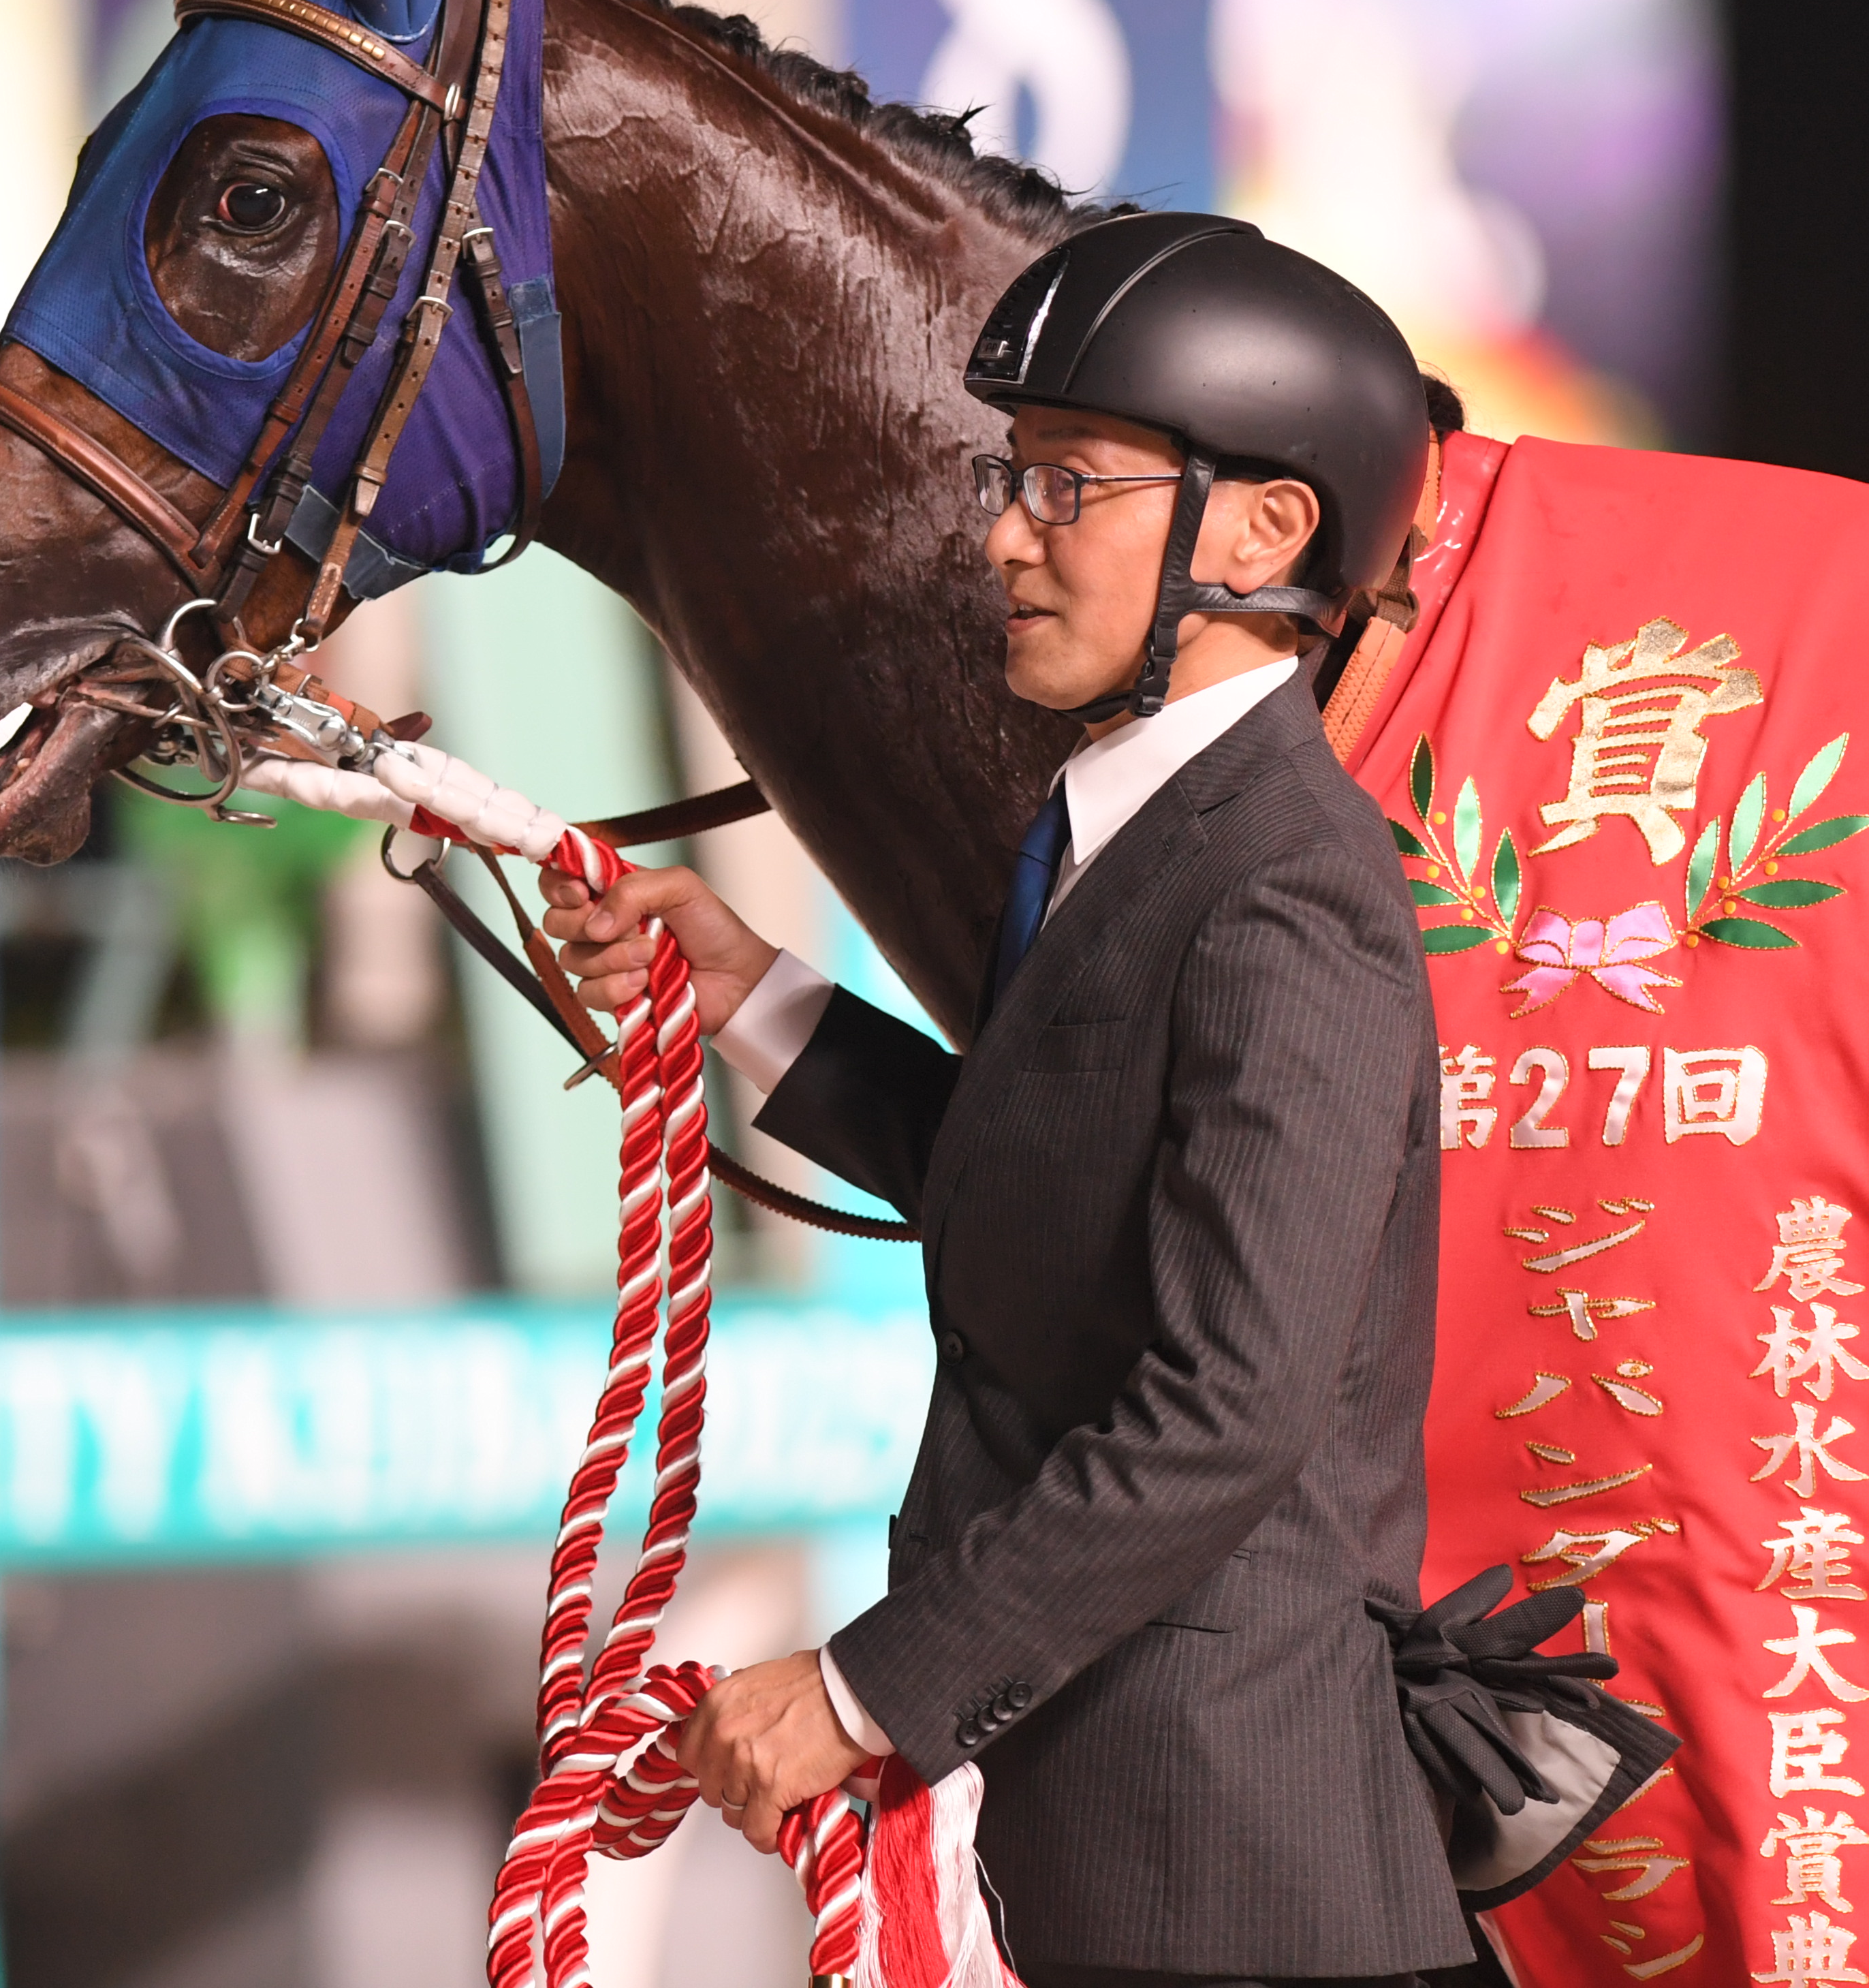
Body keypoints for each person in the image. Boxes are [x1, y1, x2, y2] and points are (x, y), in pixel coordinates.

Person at [539, 214, 1471, 1987]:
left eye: (1068, 489)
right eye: (1013, 478)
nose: (1002, 537)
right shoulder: (1127, 833)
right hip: (1130, 1843)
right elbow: (1044, 1193)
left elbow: (1227, 1407)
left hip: (1238, 1874)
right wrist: (750, 996)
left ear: (1263, 531)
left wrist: (863, 1689)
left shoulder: (1288, 899)